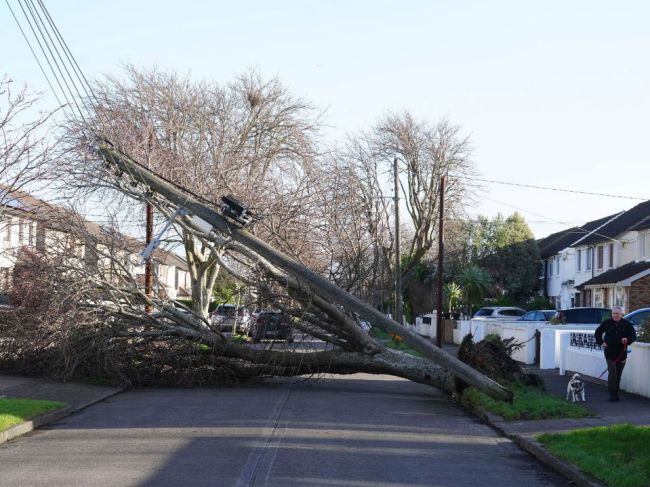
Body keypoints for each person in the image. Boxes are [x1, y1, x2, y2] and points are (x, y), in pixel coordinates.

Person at [594, 306, 637, 401]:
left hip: (622, 353)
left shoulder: (627, 324)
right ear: (612, 314)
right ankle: (612, 394)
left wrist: (627, 339)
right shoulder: (607, 323)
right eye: (614, 313)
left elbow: (633, 336)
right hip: (610, 353)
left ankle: (615, 392)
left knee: (618, 374)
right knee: (612, 373)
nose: (615, 315)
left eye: (617, 313)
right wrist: (601, 342)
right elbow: (597, 333)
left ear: (621, 314)